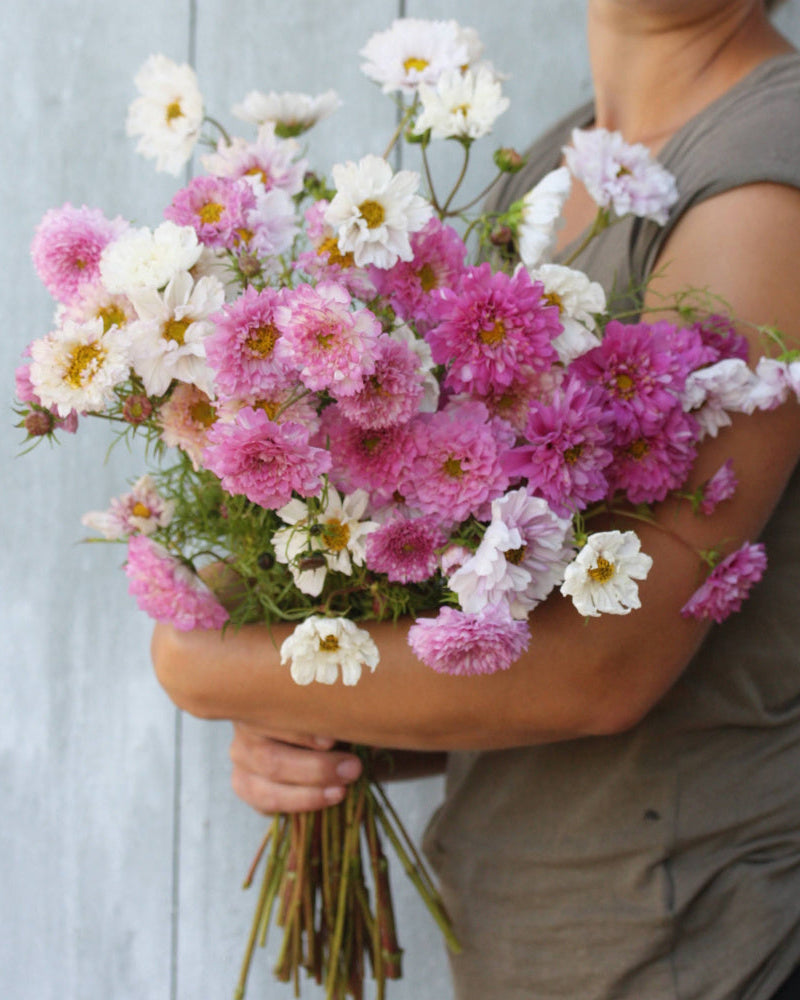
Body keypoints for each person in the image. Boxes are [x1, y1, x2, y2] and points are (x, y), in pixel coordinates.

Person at [151, 1, 800, 997]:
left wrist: (211, 669)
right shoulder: (552, 167)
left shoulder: (762, 183)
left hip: (696, 939)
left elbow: (604, 667)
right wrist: (315, 723)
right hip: (550, 932)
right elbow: (489, 613)